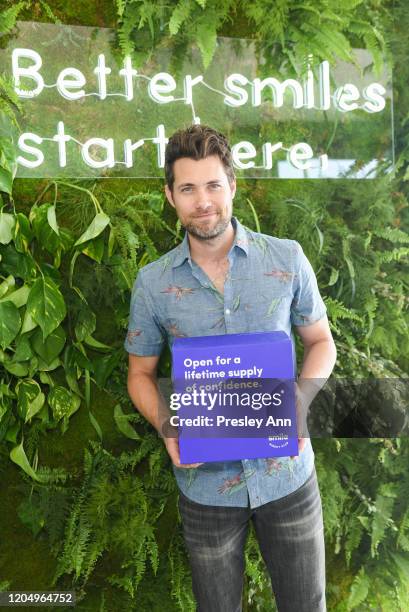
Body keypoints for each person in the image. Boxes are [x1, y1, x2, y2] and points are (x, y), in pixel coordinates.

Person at [125, 124, 337, 612]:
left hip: (287, 476)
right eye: (188, 188)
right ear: (170, 196)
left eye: (213, 185)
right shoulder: (153, 283)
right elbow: (139, 373)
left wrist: (299, 402)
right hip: (205, 487)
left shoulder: (286, 259)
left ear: (232, 186)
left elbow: (321, 342)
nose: (203, 201)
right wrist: (167, 425)